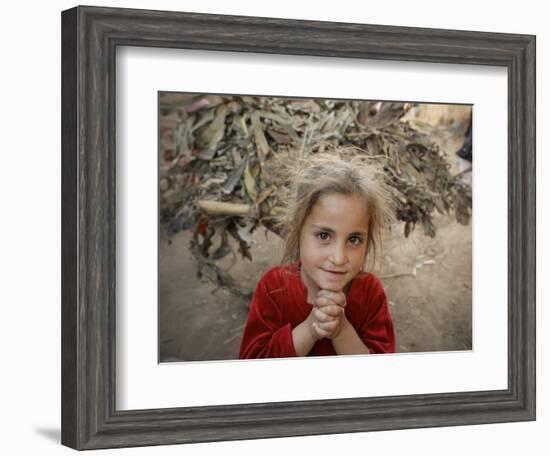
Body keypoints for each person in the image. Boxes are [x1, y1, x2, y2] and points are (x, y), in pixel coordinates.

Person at [239, 152, 396, 359]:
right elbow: (253, 372)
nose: (339, 258)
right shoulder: (274, 287)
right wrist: (311, 328)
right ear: (297, 229)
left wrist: (341, 330)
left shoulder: (370, 293)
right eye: (324, 235)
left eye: (354, 239)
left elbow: (380, 378)